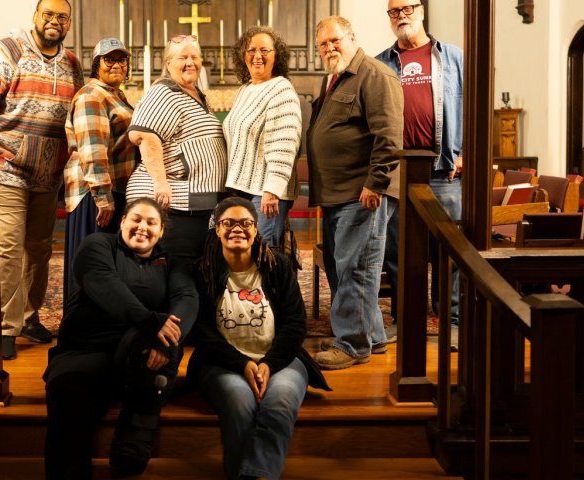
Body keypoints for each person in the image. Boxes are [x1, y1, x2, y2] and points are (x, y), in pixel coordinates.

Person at [0, 0, 82, 358]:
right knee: (9, 249)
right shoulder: (6, 51)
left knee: (39, 249)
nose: (54, 21)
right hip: (7, 168)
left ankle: (29, 316)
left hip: (49, 174)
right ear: (35, 17)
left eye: (62, 17)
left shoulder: (73, 64)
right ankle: (4, 328)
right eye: (48, 14)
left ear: (69, 23)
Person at [43, 198, 198, 479]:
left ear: (161, 231)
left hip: (138, 350)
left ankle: (134, 442)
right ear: (123, 221)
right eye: (136, 219)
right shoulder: (97, 245)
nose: (142, 227)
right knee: (66, 388)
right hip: (85, 350)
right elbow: (104, 283)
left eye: (152, 223)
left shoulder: (173, 262)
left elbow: (186, 299)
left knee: (161, 350)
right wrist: (152, 322)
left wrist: (164, 337)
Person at [189, 197, 330, 480]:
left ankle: (254, 474)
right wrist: (242, 363)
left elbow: (294, 324)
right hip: (222, 363)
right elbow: (200, 331)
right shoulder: (202, 270)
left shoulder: (276, 265)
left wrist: (269, 364)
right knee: (239, 404)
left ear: (256, 229)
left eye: (246, 223)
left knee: (279, 403)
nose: (237, 229)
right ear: (217, 229)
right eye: (228, 223)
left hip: (281, 361)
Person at [306, 16, 403, 370]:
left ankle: (352, 345)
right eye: (323, 44)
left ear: (351, 38)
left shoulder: (375, 75)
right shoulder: (333, 79)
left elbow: (390, 137)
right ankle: (372, 337)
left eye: (335, 41)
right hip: (337, 194)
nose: (329, 48)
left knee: (357, 270)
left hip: (361, 193)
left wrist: (375, 184)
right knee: (343, 267)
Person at [376, 0, 465, 350]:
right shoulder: (381, 63)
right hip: (398, 172)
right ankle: (405, 318)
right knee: (399, 251)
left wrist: (467, 151)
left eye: (408, 8)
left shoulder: (453, 57)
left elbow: (473, 104)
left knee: (448, 249)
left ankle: (452, 321)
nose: (402, 16)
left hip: (444, 171)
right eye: (394, 11)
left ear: (422, 10)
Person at [126, 34, 228, 266]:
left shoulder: (194, 94)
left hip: (195, 203)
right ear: (167, 63)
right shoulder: (165, 92)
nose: (190, 62)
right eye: (182, 57)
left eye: (194, 56)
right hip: (175, 205)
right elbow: (146, 135)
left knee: (191, 270)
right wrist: (161, 182)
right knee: (175, 271)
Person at [63, 37, 138, 302]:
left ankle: (101, 332)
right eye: (109, 59)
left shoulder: (114, 95)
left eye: (121, 59)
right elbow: (93, 149)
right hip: (94, 196)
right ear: (96, 65)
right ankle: (82, 333)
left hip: (110, 190)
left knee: (104, 270)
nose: (116, 64)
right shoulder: (92, 95)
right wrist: (103, 198)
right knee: (92, 268)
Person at [222, 26, 302, 249]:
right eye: (251, 50)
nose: (257, 56)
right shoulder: (246, 89)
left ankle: (273, 286)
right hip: (244, 189)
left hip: (266, 192)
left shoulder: (281, 89)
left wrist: (273, 190)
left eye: (264, 50)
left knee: (264, 252)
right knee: (247, 252)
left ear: (277, 56)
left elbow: (284, 145)